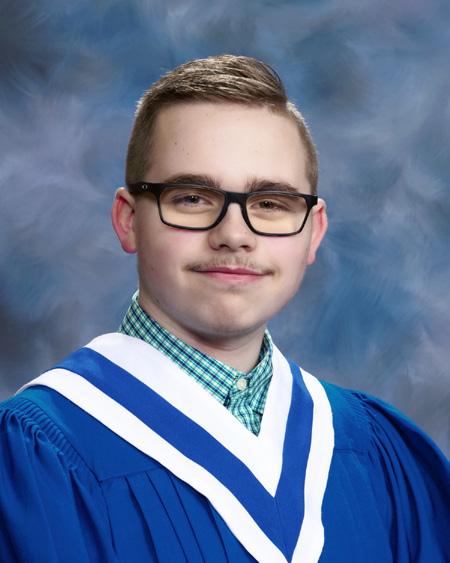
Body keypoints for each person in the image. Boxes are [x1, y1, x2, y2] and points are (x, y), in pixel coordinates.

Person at [0, 55, 448, 563]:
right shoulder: (36, 458)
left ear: (313, 231)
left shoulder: (377, 453)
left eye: (271, 203)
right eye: (192, 198)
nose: (234, 235)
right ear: (128, 220)